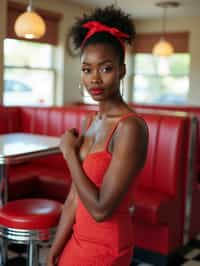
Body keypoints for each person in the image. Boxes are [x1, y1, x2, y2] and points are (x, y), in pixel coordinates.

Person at [47, 5, 148, 266]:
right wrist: (55, 248)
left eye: (105, 69)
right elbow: (73, 197)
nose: (95, 79)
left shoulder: (130, 128)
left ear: (122, 71)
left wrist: (69, 153)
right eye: (87, 69)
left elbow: (102, 210)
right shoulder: (90, 121)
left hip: (107, 249)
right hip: (78, 240)